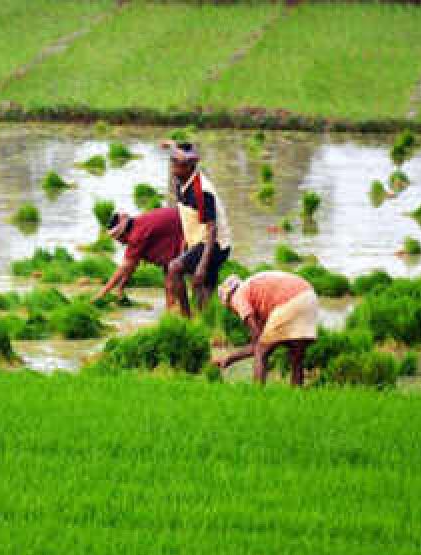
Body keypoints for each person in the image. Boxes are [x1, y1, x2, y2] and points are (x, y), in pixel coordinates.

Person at [161, 140, 232, 317]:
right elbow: (188, 218)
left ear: (190, 166)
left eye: (179, 165)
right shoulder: (181, 183)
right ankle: (206, 325)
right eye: (173, 164)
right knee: (203, 295)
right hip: (199, 242)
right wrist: (185, 248)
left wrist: (201, 265)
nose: (174, 169)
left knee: (174, 268)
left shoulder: (202, 191)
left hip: (215, 245)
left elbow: (212, 228)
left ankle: (187, 318)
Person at [213, 272, 318, 386]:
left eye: (230, 308)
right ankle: (297, 395)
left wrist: (231, 358)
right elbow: (264, 342)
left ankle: (258, 394)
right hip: (309, 297)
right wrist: (229, 359)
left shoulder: (237, 295)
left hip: (290, 300)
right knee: (296, 357)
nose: (234, 311)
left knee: (261, 352)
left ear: (228, 298)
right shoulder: (256, 293)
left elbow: (258, 341)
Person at [92, 208, 184, 309]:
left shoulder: (136, 236)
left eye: (118, 239)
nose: (121, 243)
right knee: (170, 275)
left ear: (123, 234)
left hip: (186, 227)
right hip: (178, 223)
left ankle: (176, 313)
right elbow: (132, 265)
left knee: (171, 279)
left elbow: (124, 268)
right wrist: (120, 287)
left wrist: (101, 294)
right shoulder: (138, 223)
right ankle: (175, 312)